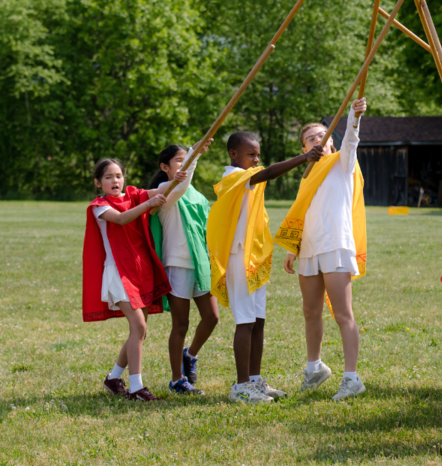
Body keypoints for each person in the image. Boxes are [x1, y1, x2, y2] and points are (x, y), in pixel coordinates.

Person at [207, 131, 323, 404]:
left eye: (258, 154)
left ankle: (255, 380)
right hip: (238, 258)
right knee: (245, 322)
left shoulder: (248, 178)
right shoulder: (233, 178)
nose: (256, 159)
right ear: (233, 154)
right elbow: (267, 173)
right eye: (251, 154)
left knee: (258, 322)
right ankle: (241, 386)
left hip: (253, 260)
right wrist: (304, 157)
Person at [277, 99, 369, 402]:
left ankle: (351, 377)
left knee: (343, 314)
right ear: (305, 149)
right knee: (310, 311)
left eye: (323, 135)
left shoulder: (342, 163)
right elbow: (302, 213)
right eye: (311, 138)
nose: (318, 139)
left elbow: (352, 140)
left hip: (336, 245)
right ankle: (314, 368)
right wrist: (293, 247)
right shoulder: (307, 175)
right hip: (309, 249)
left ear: (332, 142)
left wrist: (354, 116)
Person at [84, 158, 177, 401]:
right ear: (98, 183)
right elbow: (122, 219)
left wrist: (183, 170)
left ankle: (114, 378)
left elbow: (161, 189)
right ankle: (136, 389)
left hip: (139, 272)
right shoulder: (99, 206)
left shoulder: (135, 195)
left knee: (139, 330)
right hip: (118, 273)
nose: (114, 181)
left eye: (118, 176)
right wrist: (148, 203)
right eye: (108, 177)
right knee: (139, 328)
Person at [147, 139, 217, 395]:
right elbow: (181, 183)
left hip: (200, 263)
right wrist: (195, 155)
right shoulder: (163, 190)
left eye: (185, 159)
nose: (183, 164)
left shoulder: (196, 195)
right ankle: (177, 380)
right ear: (164, 167)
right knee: (181, 325)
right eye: (179, 160)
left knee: (212, 318)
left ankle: (191, 354)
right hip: (176, 265)